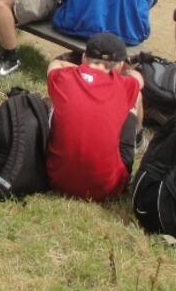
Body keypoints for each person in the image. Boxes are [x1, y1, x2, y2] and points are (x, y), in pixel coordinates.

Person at [45, 33, 145, 201]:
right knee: (137, 97)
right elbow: (139, 79)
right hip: (107, 187)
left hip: (55, 177)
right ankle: (139, 141)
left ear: (84, 57)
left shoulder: (64, 76)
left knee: (53, 102)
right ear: (120, 65)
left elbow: (55, 64)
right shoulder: (125, 85)